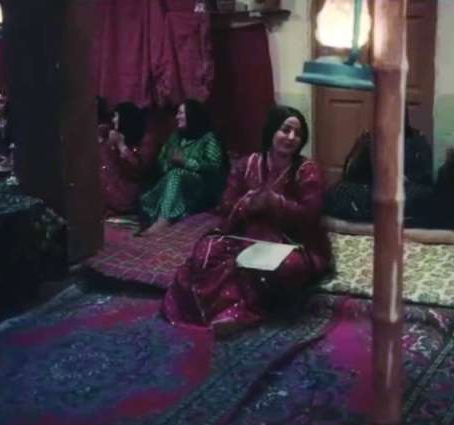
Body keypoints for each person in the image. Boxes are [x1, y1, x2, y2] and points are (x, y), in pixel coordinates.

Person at [161, 105, 332, 336]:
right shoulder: (247, 165)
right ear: (271, 130)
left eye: (298, 134)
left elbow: (310, 215)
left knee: (278, 268)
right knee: (205, 253)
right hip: (244, 235)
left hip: (292, 242)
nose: (292, 137)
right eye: (285, 130)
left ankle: (245, 312)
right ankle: (210, 310)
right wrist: (247, 202)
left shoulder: (306, 171)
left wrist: (274, 202)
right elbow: (225, 206)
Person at [323, 107, 434, 226]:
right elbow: (351, 175)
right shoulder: (369, 138)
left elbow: (424, 178)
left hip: (404, 191)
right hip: (369, 190)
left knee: (424, 196)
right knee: (338, 192)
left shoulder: (417, 140)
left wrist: (401, 179)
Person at [140, 99, 225, 234]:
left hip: (198, 187)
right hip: (171, 180)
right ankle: (163, 215)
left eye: (180, 113)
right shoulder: (175, 137)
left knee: (176, 174)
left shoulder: (208, 138)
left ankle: (163, 220)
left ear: (192, 116)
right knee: (155, 189)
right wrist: (169, 163)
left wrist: (185, 162)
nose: (177, 117)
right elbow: (161, 159)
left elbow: (214, 166)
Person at [100, 102, 159, 216]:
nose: (113, 120)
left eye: (116, 116)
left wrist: (121, 146)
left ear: (125, 118)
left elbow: (139, 171)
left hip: (133, 194)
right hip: (112, 193)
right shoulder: (113, 134)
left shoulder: (147, 140)